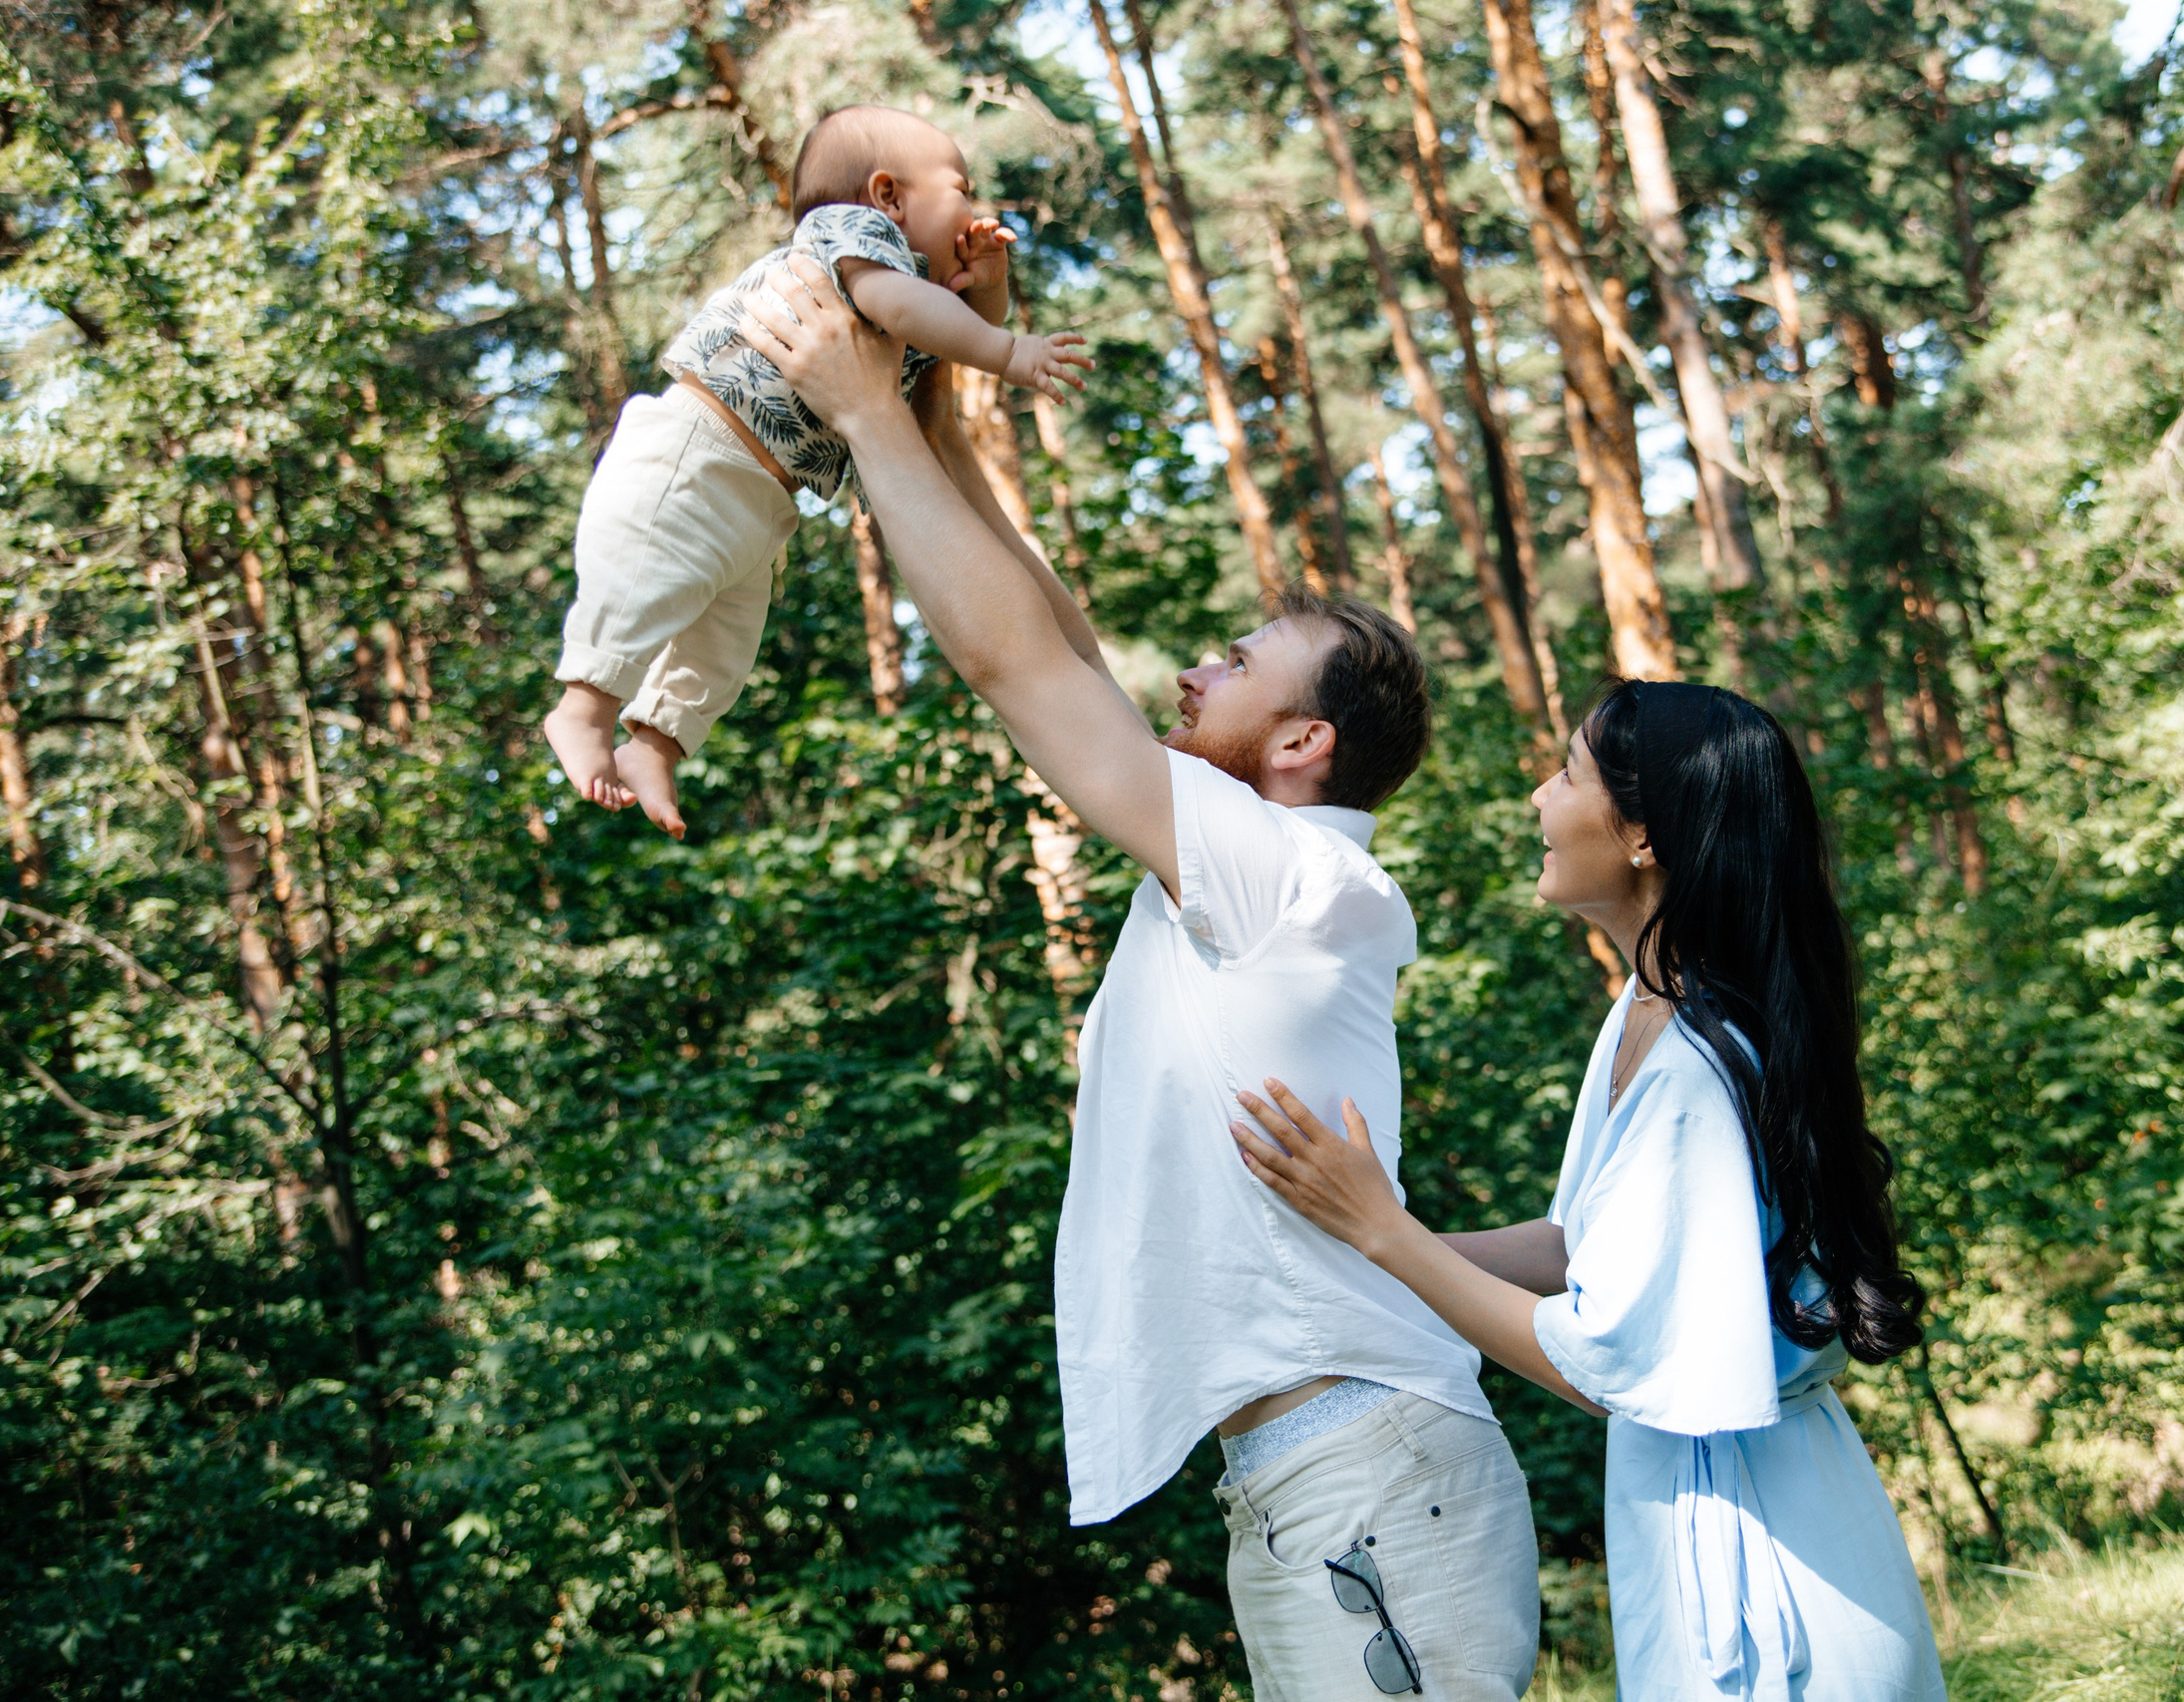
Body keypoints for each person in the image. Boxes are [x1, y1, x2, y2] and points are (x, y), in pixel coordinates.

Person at [728, 254, 1543, 1699]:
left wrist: (866, 418)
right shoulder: (1247, 871)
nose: (1188, 677)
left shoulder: (1289, 876)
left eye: (1233, 662)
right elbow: (1057, 643)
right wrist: (950, 419)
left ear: (1302, 745)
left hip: (1366, 1471)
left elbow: (1016, 668)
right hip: (1331, 1474)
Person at [1233, 682, 1949, 1702]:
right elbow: (1579, 1249)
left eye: (1566, 771)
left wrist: (1386, 1234)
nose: (1537, 796)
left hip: (1770, 1551)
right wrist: (1348, 1234)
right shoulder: (1649, 1012)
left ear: (1646, 832)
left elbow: (1602, 1359)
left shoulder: (1698, 1061)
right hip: (1725, 1510)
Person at [541, 104, 1090, 840]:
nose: (974, 208)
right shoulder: (856, 238)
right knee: (644, 580)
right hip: (696, 452)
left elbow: (952, 329)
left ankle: (656, 743)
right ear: (889, 195)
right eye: (960, 189)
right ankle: (584, 707)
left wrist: (987, 280)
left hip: (761, 499)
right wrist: (1011, 351)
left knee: (722, 647)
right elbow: (919, 313)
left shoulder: (918, 300)